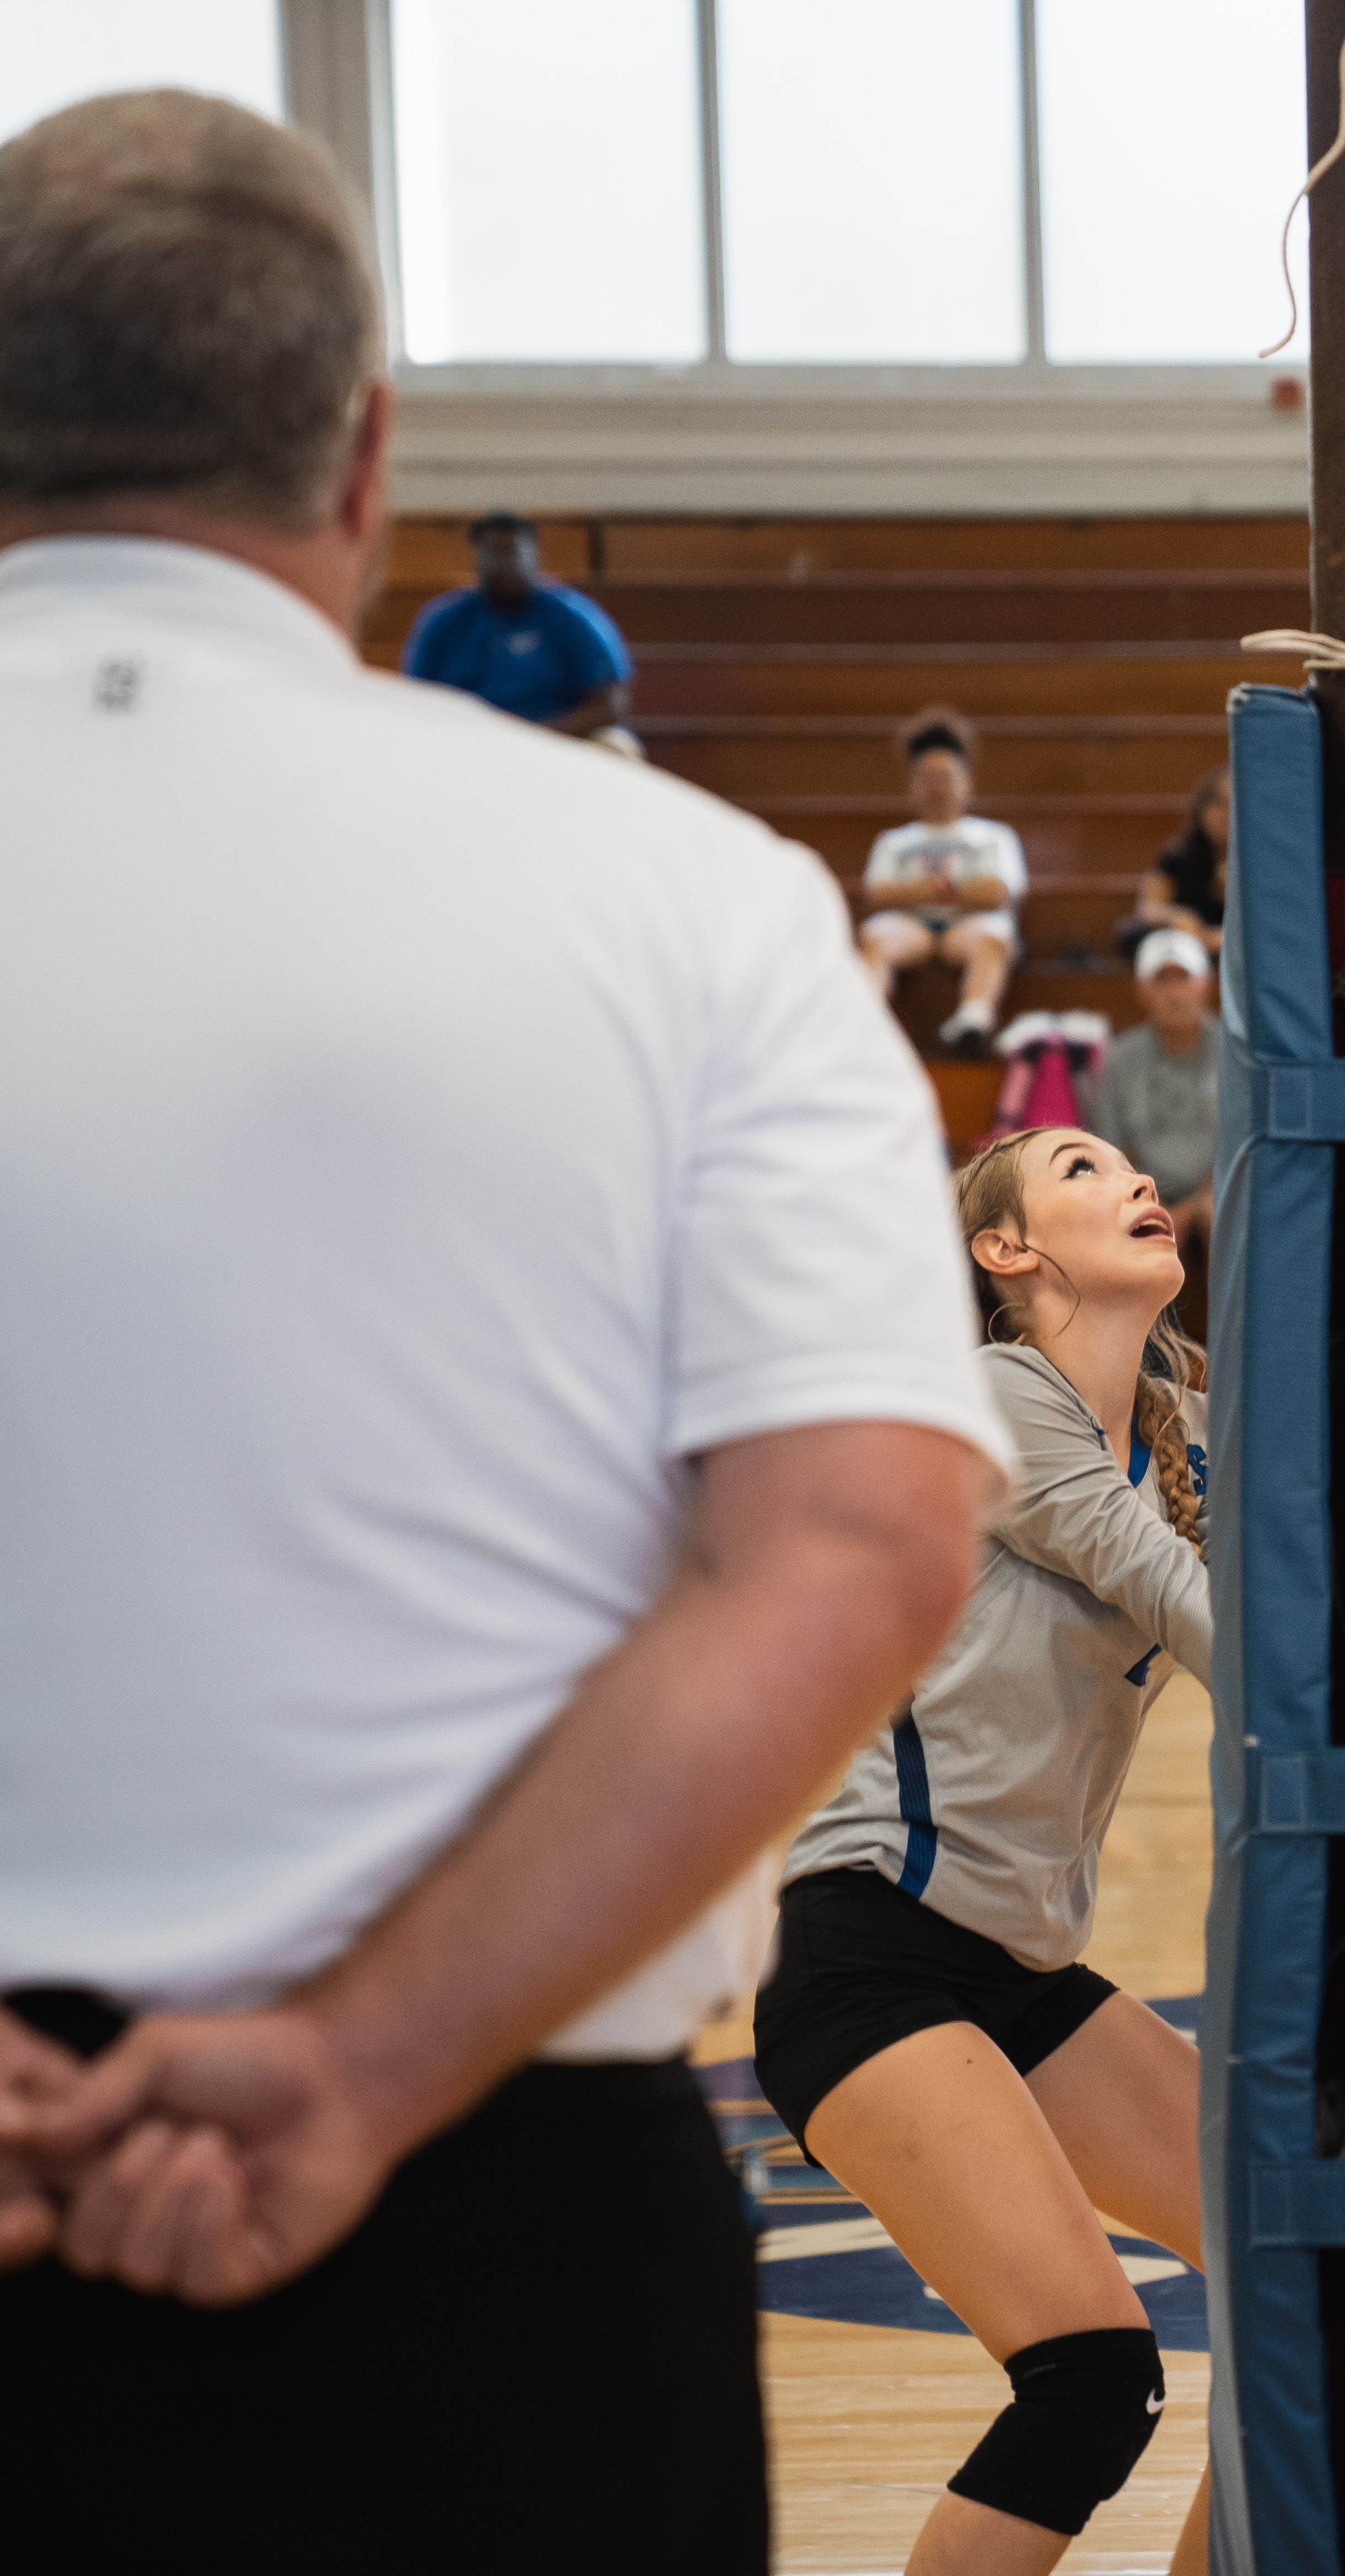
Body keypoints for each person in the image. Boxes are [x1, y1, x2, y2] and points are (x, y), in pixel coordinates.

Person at [0, 90, 1003, 2572]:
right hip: (498, 2219)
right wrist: (362, 2057)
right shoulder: (691, 901)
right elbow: (866, 1539)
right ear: (365, 459)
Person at [757, 1126, 1215, 2574]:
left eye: (1137, 1167)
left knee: (1327, 2290)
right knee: (1093, 2378)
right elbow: (1213, 1617)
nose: (1138, 1181)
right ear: (1005, 1253)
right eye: (1085, 1171)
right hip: (872, 1964)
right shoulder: (997, 1401)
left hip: (1019, 1974)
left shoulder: (1169, 1433)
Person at [860, 704, 1031, 1056]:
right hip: (911, 931)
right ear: (912, 786)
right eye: (927, 778)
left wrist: (923, 892)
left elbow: (998, 894)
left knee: (996, 932)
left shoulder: (994, 836)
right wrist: (957, 891)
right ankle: (864, 1022)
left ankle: (974, 1020)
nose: (937, 787)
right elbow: (876, 895)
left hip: (968, 930)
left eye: (946, 777)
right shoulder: (894, 841)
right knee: (876, 933)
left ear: (966, 784)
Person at [399, 507, 637, 746]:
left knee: (616, 744)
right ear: (477, 558)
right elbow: (416, 699)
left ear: (535, 557)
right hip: (468, 744)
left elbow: (610, 705)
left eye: (514, 555)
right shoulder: (443, 621)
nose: (505, 566)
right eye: (494, 556)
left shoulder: (572, 616)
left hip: (557, 740)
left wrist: (532, 735)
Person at [1082, 931, 1224, 1262]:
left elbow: (1249, 1139)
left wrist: (1207, 1194)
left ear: (1206, 985)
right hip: (1146, 1193)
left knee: (1221, 1217)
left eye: (1183, 979)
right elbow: (1109, 1150)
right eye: (1161, 981)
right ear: (1141, 992)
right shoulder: (1120, 1057)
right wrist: (1149, 1202)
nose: (1174, 994)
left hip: (1222, 1190)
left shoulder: (1236, 1054)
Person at [1116, 763, 1227, 961]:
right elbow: (1149, 908)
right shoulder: (1179, 856)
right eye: (1218, 803)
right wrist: (1177, 918)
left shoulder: (1264, 865)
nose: (1225, 814)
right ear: (1201, 808)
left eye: (1233, 804)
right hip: (1186, 950)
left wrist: (1225, 939)